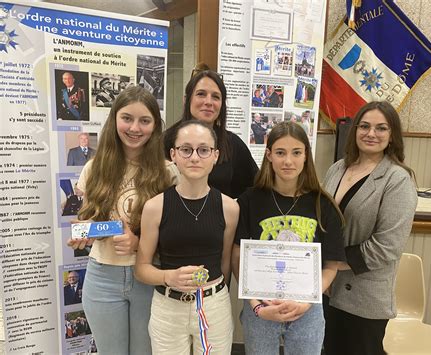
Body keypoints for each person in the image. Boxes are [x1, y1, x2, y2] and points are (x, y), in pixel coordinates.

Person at [67, 86, 179, 355]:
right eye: (127, 118)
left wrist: (138, 243)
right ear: (114, 119)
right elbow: (85, 218)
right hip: (102, 277)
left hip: (149, 276)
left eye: (145, 120)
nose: (135, 128)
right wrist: (84, 233)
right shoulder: (93, 168)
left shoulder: (168, 173)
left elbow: (176, 238)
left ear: (155, 126)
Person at [232, 121, 345, 355]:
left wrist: (308, 300)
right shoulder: (249, 201)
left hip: (307, 308)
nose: (288, 161)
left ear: (306, 156)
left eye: (296, 153)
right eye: (280, 153)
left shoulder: (323, 205)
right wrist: (256, 306)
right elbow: (237, 258)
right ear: (269, 155)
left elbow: (331, 266)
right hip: (261, 306)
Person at [136, 120, 239, 354]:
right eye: (186, 149)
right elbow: (141, 268)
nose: (195, 157)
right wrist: (167, 276)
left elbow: (224, 264)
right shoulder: (155, 207)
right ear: (173, 155)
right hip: (168, 306)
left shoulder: (229, 208)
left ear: (215, 156)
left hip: (213, 306)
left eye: (203, 150)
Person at [323, 101, 418, 355]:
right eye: (364, 126)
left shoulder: (398, 179)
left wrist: (331, 264)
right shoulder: (337, 168)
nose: (371, 133)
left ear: (392, 135)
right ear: (354, 130)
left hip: (364, 299)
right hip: (328, 291)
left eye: (381, 128)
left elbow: (387, 247)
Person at [164, 65, 258, 198]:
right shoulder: (166, 140)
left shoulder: (233, 144)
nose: (208, 102)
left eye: (215, 97)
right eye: (201, 94)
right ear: (187, 100)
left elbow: (253, 188)